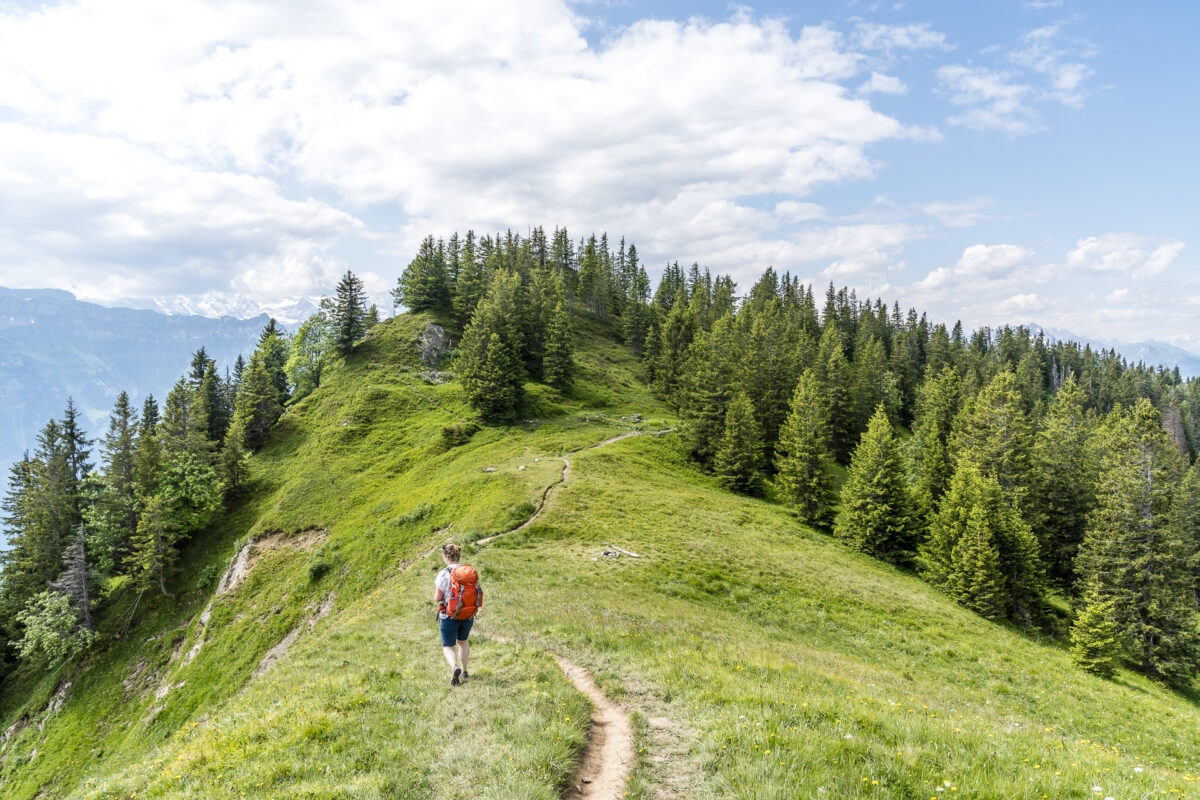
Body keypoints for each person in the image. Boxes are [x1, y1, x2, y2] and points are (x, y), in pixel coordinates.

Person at [434, 543, 481, 686]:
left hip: (449, 615)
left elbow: (437, 597)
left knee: (448, 646)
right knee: (463, 642)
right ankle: (464, 671)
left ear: (446, 557)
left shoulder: (444, 573)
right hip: (468, 614)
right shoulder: (469, 571)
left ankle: (455, 667)